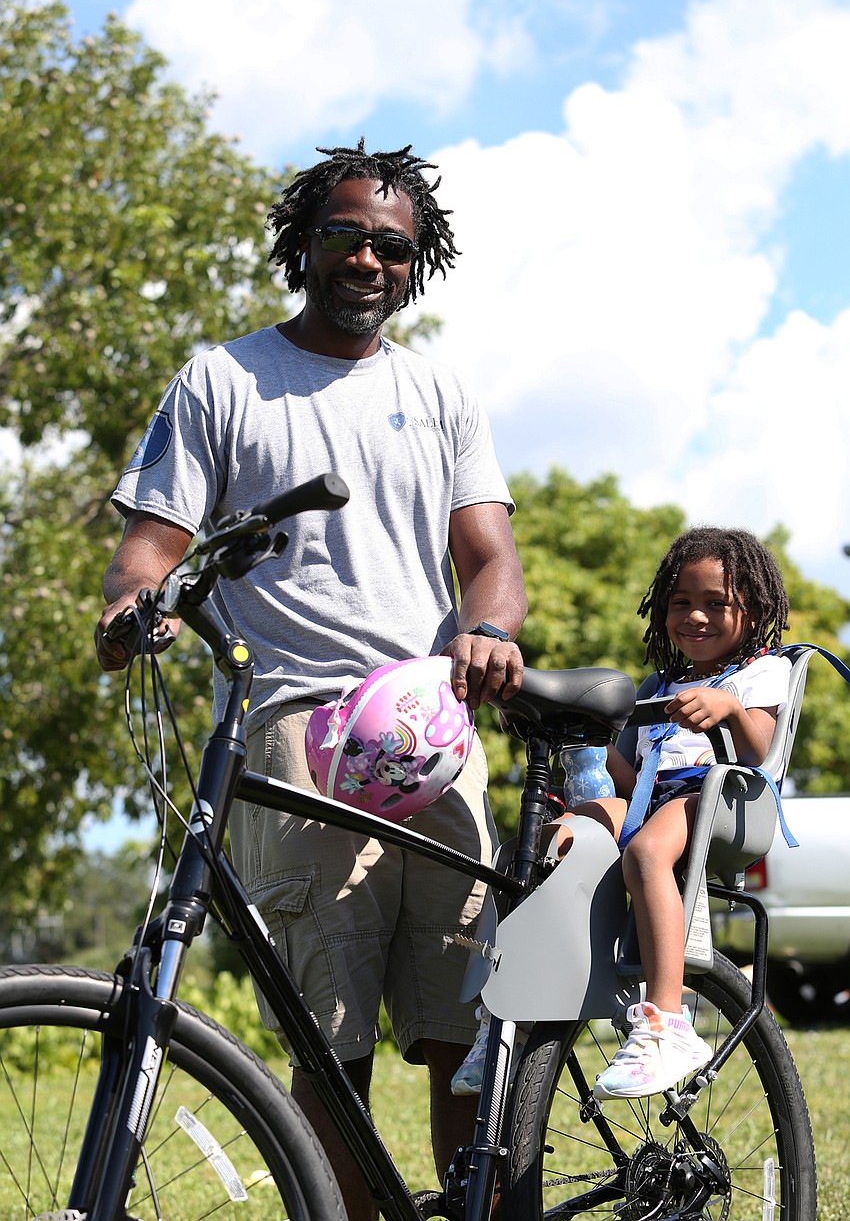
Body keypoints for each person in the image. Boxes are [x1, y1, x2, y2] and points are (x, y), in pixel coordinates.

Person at [94, 140, 528, 1219]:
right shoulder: (224, 378)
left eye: (392, 245)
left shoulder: (436, 390)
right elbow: (152, 544)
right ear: (305, 242)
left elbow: (489, 560)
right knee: (326, 1039)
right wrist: (127, 607)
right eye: (346, 235)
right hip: (295, 729)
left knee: (460, 1027)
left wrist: (487, 631)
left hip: (434, 732)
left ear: (413, 262)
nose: (368, 259)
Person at [451, 526, 791, 1101]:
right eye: (681, 602)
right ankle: (502, 1018)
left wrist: (729, 709)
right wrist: (590, 740)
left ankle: (667, 1024)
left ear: (754, 611)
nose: (695, 616)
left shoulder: (761, 673)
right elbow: (631, 779)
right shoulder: (661, 683)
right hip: (652, 799)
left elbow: (760, 751)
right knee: (540, 844)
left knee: (647, 850)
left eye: (715, 603)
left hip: (721, 797)